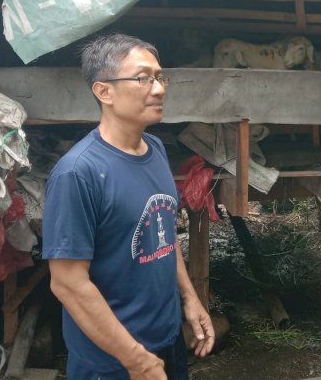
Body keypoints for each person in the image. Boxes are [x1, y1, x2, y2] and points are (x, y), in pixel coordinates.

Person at [42, 33, 214, 379]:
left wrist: (189, 298)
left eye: (159, 76)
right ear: (104, 91)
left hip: (166, 343)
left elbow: (163, 235)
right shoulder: (78, 174)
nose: (159, 88)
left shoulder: (154, 149)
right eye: (142, 78)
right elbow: (67, 284)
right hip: (113, 362)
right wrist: (137, 360)